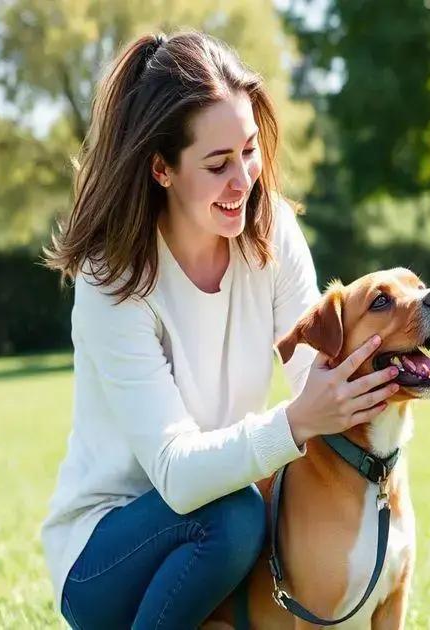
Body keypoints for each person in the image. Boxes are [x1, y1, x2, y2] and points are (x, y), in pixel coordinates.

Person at [39, 32, 401, 629]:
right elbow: (180, 475)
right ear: (162, 168)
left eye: (250, 151)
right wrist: (297, 420)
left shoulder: (271, 231)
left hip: (221, 524)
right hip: (107, 557)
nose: (244, 180)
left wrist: (387, 375)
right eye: (217, 164)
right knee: (233, 516)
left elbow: (321, 375)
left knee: (239, 514)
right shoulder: (113, 280)